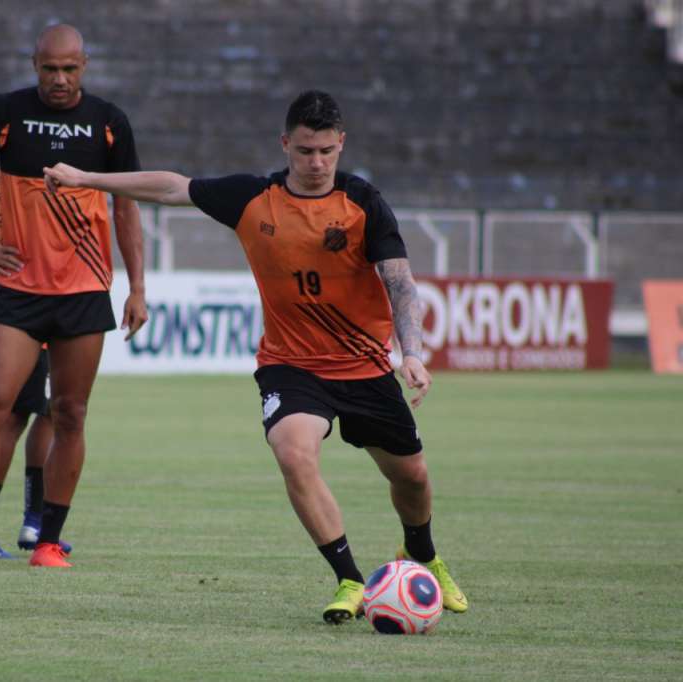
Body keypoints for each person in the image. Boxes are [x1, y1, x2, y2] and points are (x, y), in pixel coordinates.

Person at [42, 90, 468, 621]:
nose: (317, 163)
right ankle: (351, 580)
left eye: (327, 152)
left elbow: (399, 283)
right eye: (306, 151)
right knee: (293, 453)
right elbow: (174, 186)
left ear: (342, 146)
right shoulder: (253, 198)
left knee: (413, 478)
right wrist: (88, 180)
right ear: (285, 144)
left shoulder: (363, 203)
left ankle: (423, 554)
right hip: (291, 365)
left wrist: (414, 353)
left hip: (363, 367)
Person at [0, 23, 147, 569]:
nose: (59, 79)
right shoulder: (6, 113)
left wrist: (137, 288)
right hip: (19, 291)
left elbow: (127, 207)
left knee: (70, 413)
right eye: (50, 68)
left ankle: (48, 542)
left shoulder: (109, 123)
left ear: (85, 64)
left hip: (83, 291)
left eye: (70, 69)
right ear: (35, 64)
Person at [0, 170, 71, 560]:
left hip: (34, 293)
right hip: (26, 297)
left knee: (48, 410)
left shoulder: (23, 156)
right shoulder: (36, 165)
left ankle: (33, 521)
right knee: (10, 418)